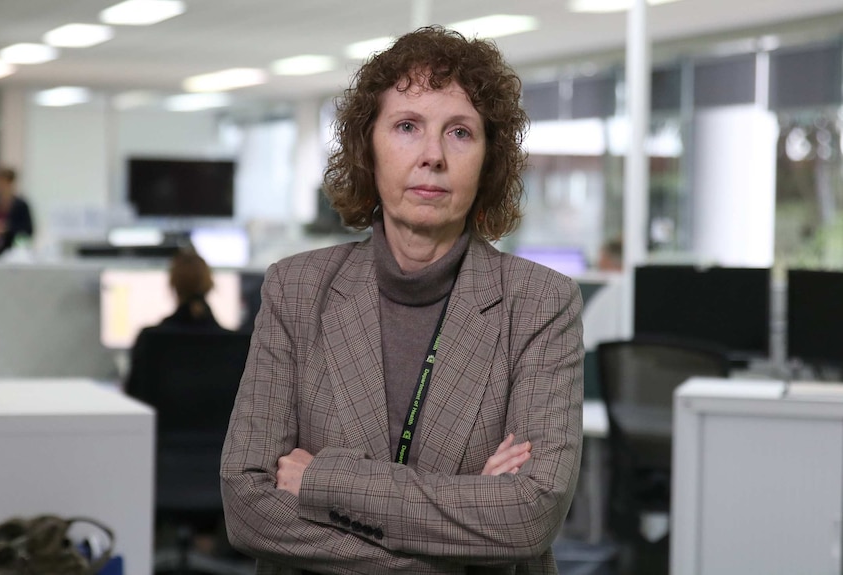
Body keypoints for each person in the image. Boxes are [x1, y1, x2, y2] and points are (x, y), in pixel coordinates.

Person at [221, 25, 584, 574]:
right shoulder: (296, 290)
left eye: (460, 132)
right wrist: (453, 546)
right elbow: (248, 507)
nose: (432, 155)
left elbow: (528, 517)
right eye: (408, 127)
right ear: (370, 146)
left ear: (489, 158)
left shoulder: (540, 303)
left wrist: (324, 481)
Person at [125, 248, 228, 396]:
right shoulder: (236, 345)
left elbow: (134, 397)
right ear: (210, 284)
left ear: (172, 284)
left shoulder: (151, 340)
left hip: (163, 420)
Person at [0, 166, 34, 256]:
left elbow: (28, 230)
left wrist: (6, 228)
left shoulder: (21, 205)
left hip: (13, 252)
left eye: (2, 182)